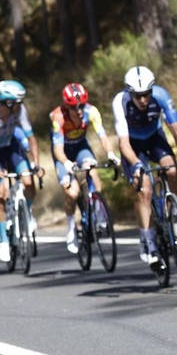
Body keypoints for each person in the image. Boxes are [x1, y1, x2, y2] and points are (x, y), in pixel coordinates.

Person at [112, 66, 177, 264]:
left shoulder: (160, 95)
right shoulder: (121, 102)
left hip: (154, 138)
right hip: (133, 145)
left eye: (146, 94)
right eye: (138, 95)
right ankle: (148, 240)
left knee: (172, 169)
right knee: (145, 190)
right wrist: (136, 165)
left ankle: (172, 212)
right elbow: (123, 144)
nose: (143, 100)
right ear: (130, 92)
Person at [0, 80, 42, 264]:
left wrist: (36, 164)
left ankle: (27, 213)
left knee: (29, 182)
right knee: (0, 194)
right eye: (18, 102)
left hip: (12, 148)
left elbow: (31, 139)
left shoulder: (20, 111)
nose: (21, 105)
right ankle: (4, 241)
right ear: (8, 102)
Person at [50, 83, 118, 254]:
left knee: (93, 171)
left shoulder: (91, 112)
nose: (79, 110)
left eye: (82, 105)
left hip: (81, 147)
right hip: (63, 152)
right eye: (74, 107)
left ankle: (99, 213)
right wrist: (66, 164)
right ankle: (71, 227)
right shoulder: (58, 117)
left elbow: (103, 137)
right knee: (72, 193)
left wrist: (110, 154)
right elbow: (57, 149)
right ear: (67, 105)